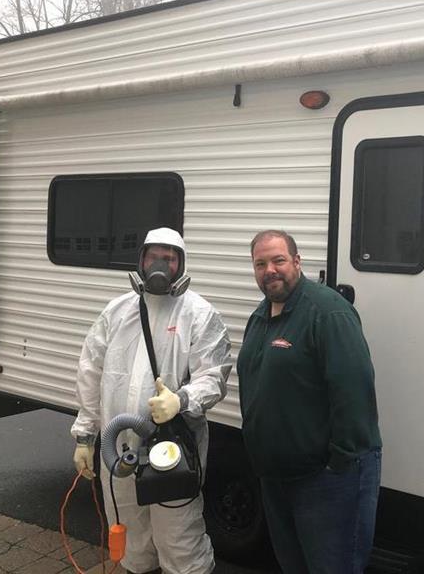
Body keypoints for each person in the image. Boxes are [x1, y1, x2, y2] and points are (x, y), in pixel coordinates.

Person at [71, 227, 232, 574]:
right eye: (154, 256)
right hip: (121, 451)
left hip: (171, 451)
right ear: (141, 261)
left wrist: (183, 399)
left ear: (181, 264)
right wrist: (85, 436)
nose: (161, 264)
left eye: (169, 258)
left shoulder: (199, 314)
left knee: (179, 539)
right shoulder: (117, 312)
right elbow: (91, 370)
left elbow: (215, 374)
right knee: (132, 537)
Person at [237, 230, 382, 574]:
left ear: (297, 262)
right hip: (276, 477)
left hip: (325, 480)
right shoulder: (261, 316)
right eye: (260, 264)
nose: (269, 270)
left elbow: (354, 391)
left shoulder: (328, 312)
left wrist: (339, 462)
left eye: (278, 260)